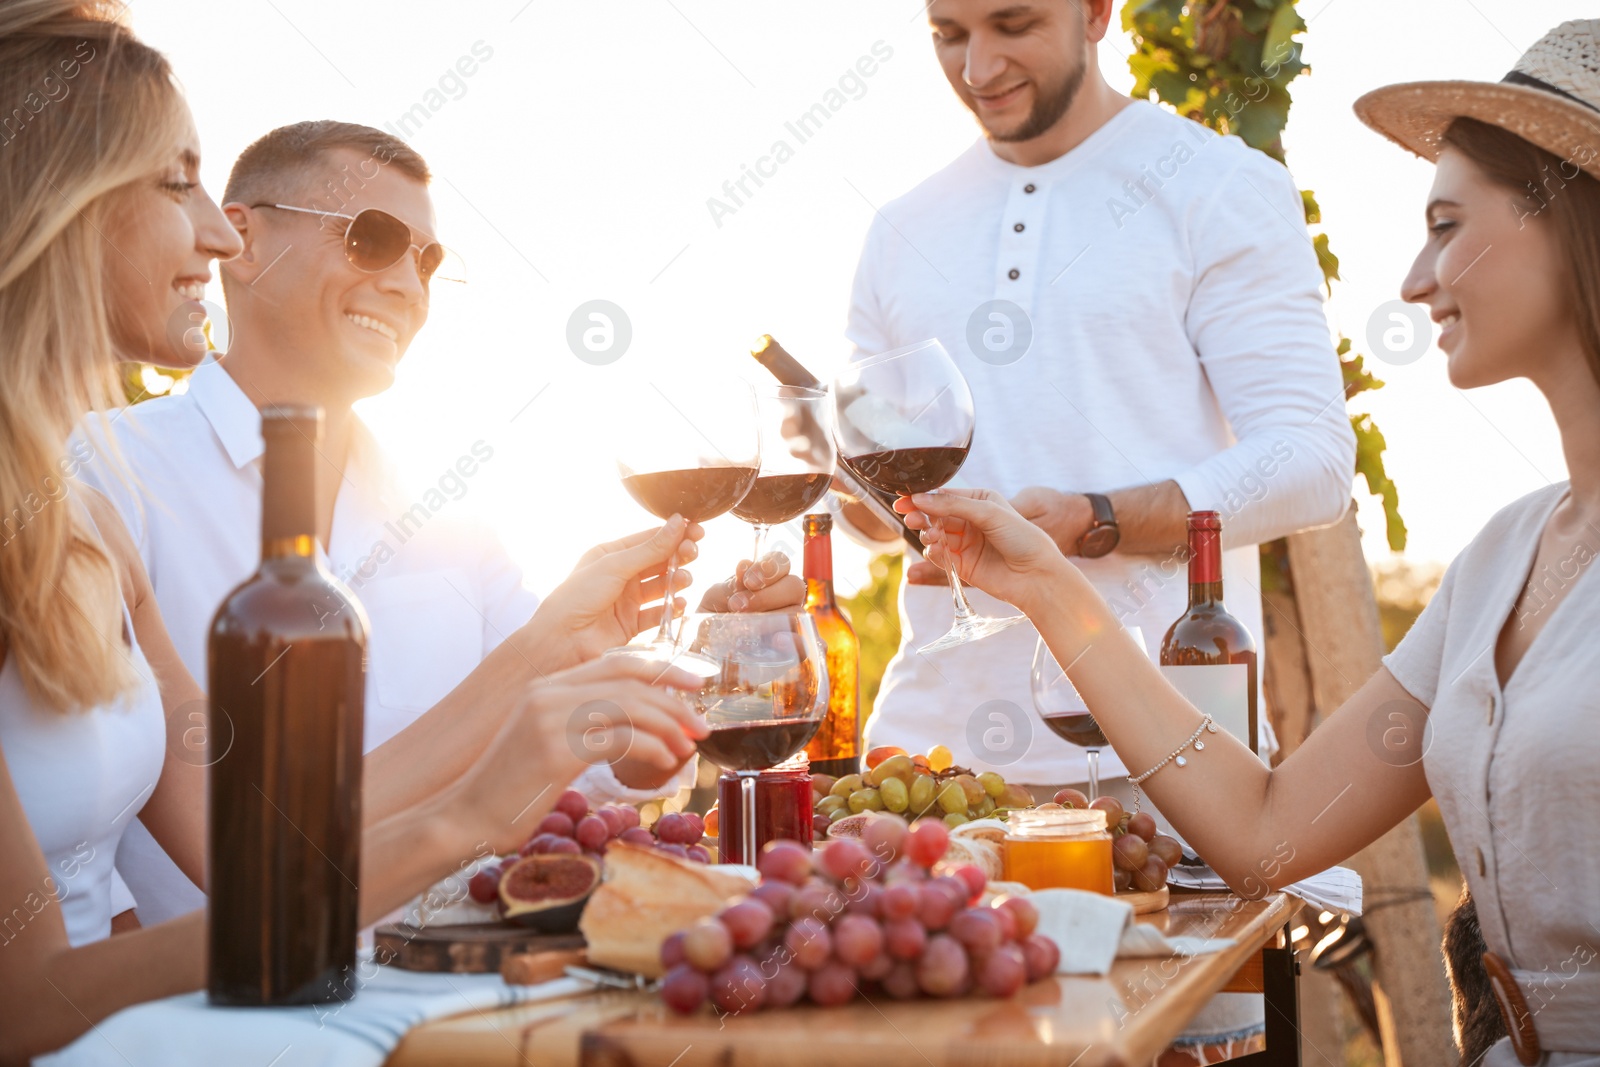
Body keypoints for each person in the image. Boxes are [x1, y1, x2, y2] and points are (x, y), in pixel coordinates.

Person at [0, 4, 705, 1061]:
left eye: (431, 257)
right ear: (58, 197)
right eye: (174, 181)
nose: (214, 227)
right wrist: (468, 813)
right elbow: (30, 1004)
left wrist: (545, 659)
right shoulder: (119, 479)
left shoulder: (79, 523)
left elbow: (270, 846)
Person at [893, 19, 1600, 1065]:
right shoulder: (1504, 557)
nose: (1413, 278)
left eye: (1447, 223)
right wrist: (1048, 588)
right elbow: (1264, 830)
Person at [77, 120, 800, 925]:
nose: (408, 285)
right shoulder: (107, 475)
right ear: (242, 241)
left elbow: (586, 758)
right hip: (213, 1012)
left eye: (428, 261)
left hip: (464, 993)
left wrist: (706, 668)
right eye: (373, 238)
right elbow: (74, 828)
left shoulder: (452, 517)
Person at [839, 0, 1355, 803]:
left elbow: (1310, 461)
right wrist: (860, 497)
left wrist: (1095, 518)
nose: (977, 69)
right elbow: (869, 510)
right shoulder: (900, 227)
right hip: (923, 766)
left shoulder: (1218, 186)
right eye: (950, 35)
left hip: (1171, 767)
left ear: (1095, 12)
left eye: (1013, 27)